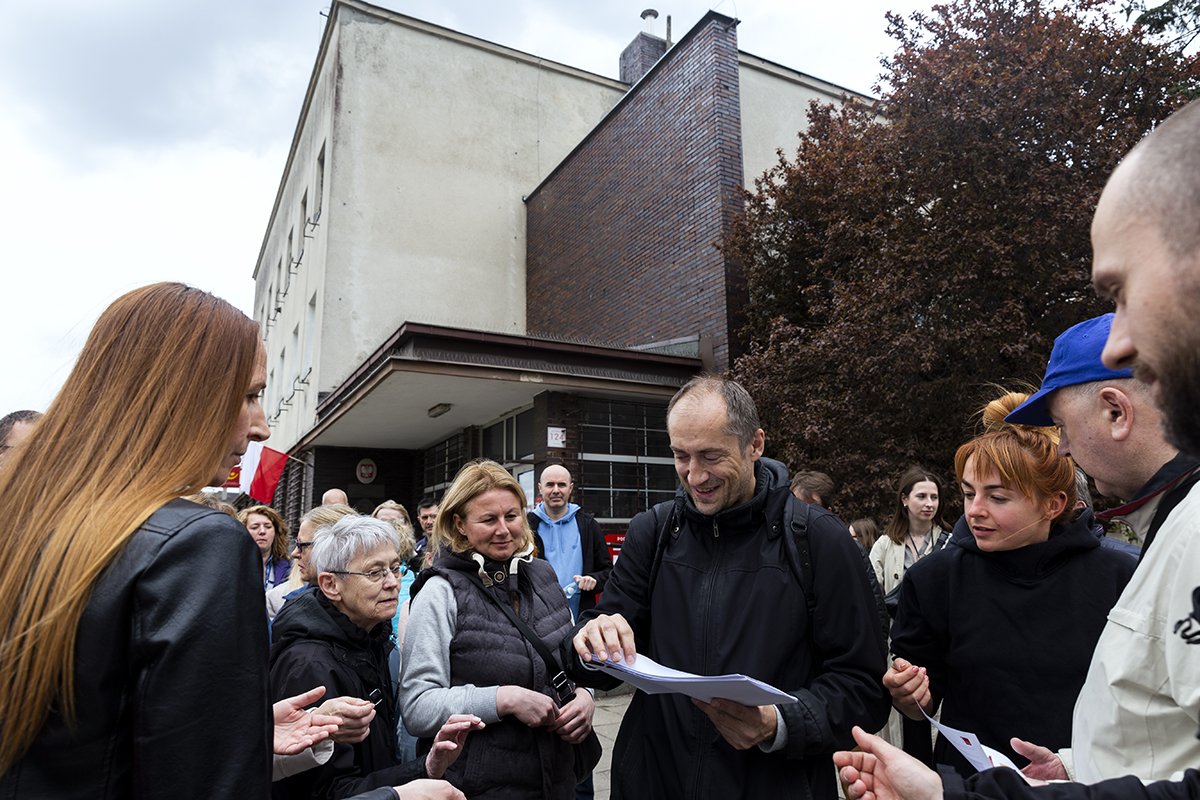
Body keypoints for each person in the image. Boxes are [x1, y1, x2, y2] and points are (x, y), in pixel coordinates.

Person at [834, 96, 1200, 800]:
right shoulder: (1169, 525)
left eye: (1122, 293)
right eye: (969, 492)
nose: (1120, 340)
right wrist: (1078, 768)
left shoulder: (1159, 545)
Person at [0, 282, 273, 796]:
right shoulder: (196, 544)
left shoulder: (27, 522)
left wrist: (245, 732)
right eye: (250, 395)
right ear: (181, 394)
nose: (260, 427)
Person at [566, 375, 890, 799]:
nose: (694, 475)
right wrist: (590, 639)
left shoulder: (819, 541)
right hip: (655, 782)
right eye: (680, 456)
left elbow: (864, 686)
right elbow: (598, 653)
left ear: (755, 444)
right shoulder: (653, 532)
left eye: (711, 456)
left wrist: (781, 723)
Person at [886, 392, 1135, 777]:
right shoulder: (935, 579)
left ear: (1053, 505)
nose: (974, 511)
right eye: (969, 493)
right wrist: (908, 692)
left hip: (1091, 782)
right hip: (973, 784)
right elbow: (921, 696)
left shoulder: (1121, 576)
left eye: (997, 497)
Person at [400, 460, 594, 799]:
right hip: (476, 786)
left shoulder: (544, 575)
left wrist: (585, 697)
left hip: (557, 779)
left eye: (512, 516)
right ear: (459, 524)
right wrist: (501, 699)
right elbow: (418, 707)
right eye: (488, 519)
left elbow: (569, 664)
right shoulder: (440, 591)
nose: (503, 530)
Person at [271, 515, 483, 798]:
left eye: (395, 568)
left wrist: (427, 766)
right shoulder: (311, 665)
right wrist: (409, 785)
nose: (393, 582)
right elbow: (329, 790)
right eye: (374, 573)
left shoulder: (369, 637)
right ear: (331, 585)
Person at [1006, 312, 1198, 557]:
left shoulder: (1191, 535)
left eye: (1061, 425)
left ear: (1115, 412)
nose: (1061, 448)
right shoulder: (1178, 525)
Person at [528, 464, 614, 619]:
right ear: (540, 488)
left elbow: (608, 572)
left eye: (561, 485)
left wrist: (594, 580)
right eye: (550, 485)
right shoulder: (526, 526)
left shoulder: (588, 525)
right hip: (538, 618)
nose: (556, 490)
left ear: (570, 488)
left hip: (580, 617)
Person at [870, 467, 951, 603]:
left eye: (934, 497)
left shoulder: (950, 543)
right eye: (921, 496)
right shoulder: (884, 545)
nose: (929, 504)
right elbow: (871, 593)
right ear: (904, 499)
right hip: (896, 623)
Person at [267, 503, 357, 620]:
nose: (294, 554)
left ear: (333, 547)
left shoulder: (381, 604)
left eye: (301, 545)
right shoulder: (294, 610)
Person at [242, 504, 294, 591]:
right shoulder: (233, 566)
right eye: (255, 527)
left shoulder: (290, 570)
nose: (262, 531)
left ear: (276, 533)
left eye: (268, 527)